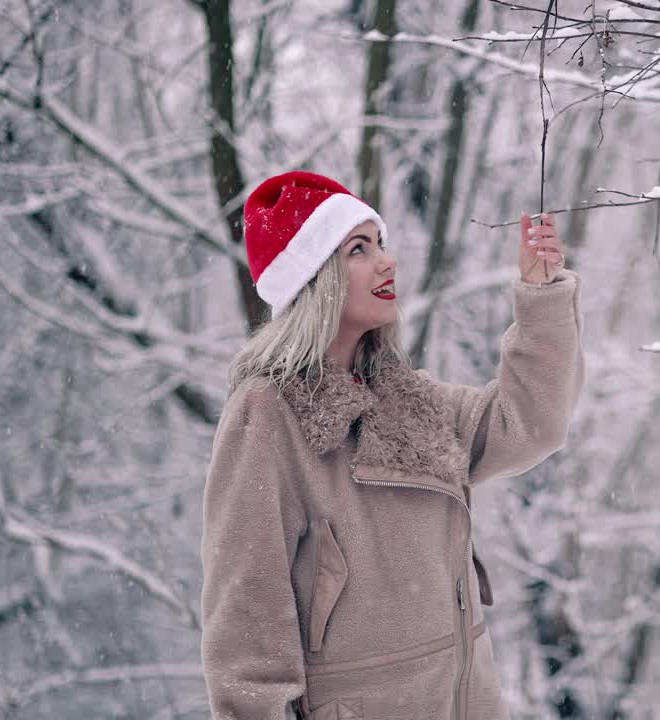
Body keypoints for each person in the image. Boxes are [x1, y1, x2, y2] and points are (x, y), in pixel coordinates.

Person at [200, 170, 585, 719]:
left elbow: (530, 422)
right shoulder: (268, 411)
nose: (387, 260)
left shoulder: (408, 398)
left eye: (380, 243)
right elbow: (246, 612)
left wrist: (542, 295)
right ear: (315, 277)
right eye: (359, 249)